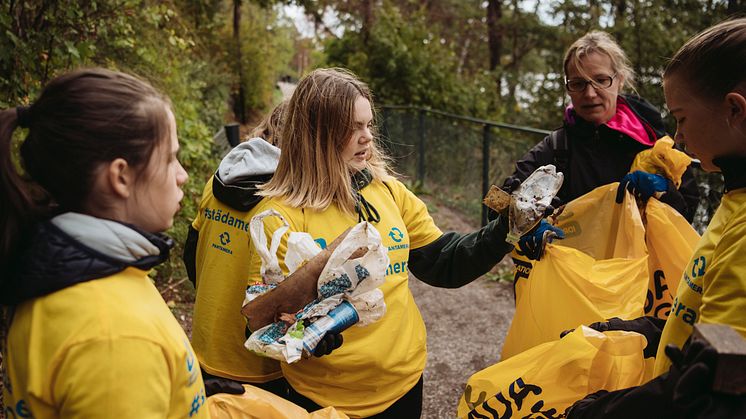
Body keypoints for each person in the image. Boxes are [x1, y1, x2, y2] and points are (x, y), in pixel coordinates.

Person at [245, 67, 548, 418]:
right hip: (325, 399)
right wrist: (299, 338)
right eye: (352, 127)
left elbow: (443, 263)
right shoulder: (278, 216)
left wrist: (505, 229)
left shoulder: (388, 191)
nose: (367, 138)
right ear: (316, 132)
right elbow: (262, 319)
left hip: (403, 384)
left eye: (368, 125)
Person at [0, 68, 209, 417]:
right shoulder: (114, 338)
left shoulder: (64, 271)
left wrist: (179, 388)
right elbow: (114, 365)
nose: (182, 174)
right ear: (121, 176)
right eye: (170, 158)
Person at [566, 18, 746, 418]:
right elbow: (698, 319)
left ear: (734, 110)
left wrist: (598, 412)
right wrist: (636, 329)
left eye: (681, 118)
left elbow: (714, 385)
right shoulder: (734, 197)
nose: (678, 138)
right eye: (577, 84)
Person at [500, 31, 700, 229]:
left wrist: (665, 192)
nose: (589, 93)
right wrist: (525, 219)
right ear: (568, 87)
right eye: (578, 83)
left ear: (620, 80)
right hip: (576, 260)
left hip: (645, 261)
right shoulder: (558, 147)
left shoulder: (654, 140)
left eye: (601, 80)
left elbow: (687, 213)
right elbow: (499, 206)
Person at [183, 102, 289, 397]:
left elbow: (191, 254)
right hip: (260, 366)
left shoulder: (217, 182)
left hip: (206, 346)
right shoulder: (287, 202)